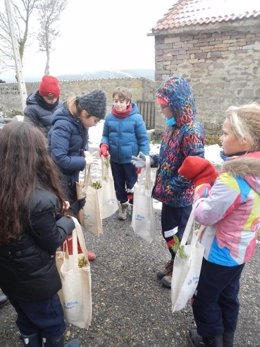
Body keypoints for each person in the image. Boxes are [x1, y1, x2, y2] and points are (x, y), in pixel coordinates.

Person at [178, 103, 260, 347]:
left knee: (205, 298)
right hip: (242, 250)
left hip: (219, 252)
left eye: (225, 134)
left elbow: (205, 214)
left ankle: (210, 340)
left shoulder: (234, 179)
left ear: (244, 140)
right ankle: (227, 337)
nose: (221, 139)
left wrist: (202, 187)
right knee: (228, 295)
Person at [0, 121, 80, 347]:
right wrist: (67, 221)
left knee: (25, 318)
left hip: (8, 277)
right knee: (52, 322)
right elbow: (52, 240)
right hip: (36, 283)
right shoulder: (39, 199)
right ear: (34, 155)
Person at [131, 76, 205, 288]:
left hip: (180, 198)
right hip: (168, 195)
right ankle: (175, 261)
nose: (162, 111)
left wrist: (171, 188)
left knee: (178, 235)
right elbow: (168, 157)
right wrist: (150, 160)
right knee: (168, 233)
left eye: (165, 107)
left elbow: (195, 168)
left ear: (177, 106)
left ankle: (182, 268)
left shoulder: (191, 131)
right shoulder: (172, 127)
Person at [48, 89, 107, 260]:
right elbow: (58, 158)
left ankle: (75, 249)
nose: (96, 124)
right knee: (65, 215)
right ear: (85, 113)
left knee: (73, 212)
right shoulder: (63, 124)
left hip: (70, 176)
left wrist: (84, 153)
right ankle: (68, 254)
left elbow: (77, 146)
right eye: (95, 120)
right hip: (59, 178)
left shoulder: (79, 122)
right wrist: (83, 161)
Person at [99, 86, 149, 220]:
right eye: (115, 101)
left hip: (131, 160)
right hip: (115, 159)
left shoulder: (137, 119)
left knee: (132, 184)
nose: (118, 104)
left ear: (128, 102)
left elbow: (143, 140)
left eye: (121, 101)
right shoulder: (109, 119)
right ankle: (123, 205)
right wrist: (104, 145)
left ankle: (133, 205)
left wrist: (143, 158)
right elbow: (105, 136)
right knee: (118, 184)